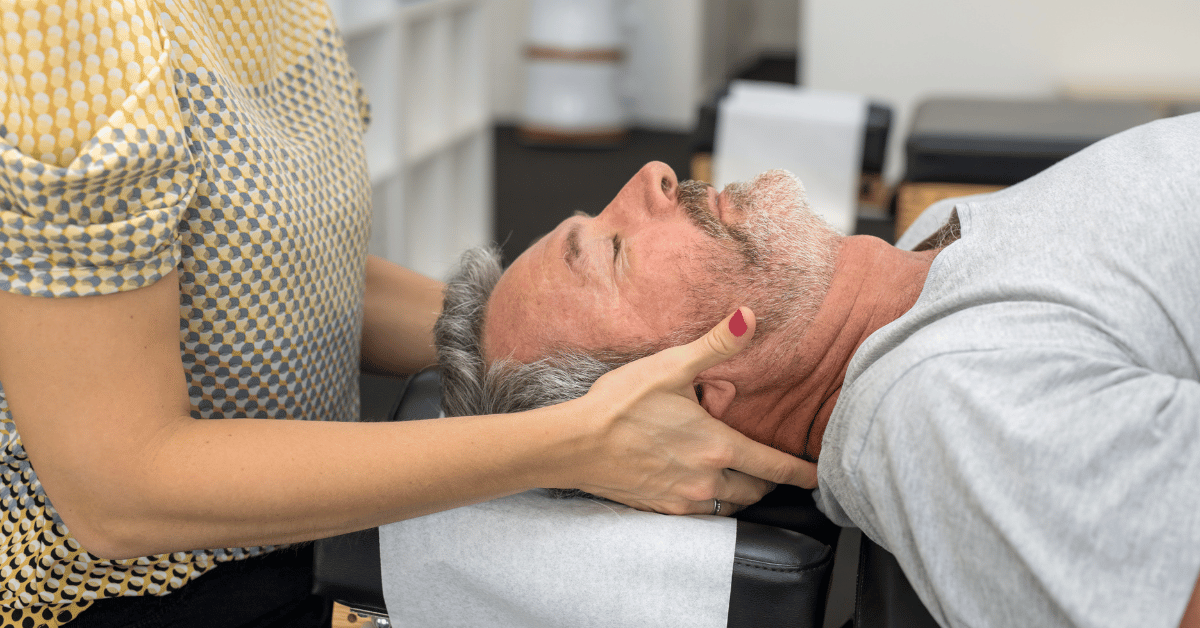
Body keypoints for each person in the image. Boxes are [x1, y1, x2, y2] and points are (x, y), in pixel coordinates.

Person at [0, 1, 815, 626]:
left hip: (297, 545)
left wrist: (554, 356)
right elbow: (117, 491)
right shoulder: (69, 26)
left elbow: (274, 277)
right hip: (109, 600)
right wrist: (575, 440)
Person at [436, 113, 1200, 628]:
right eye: (612, 248)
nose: (651, 176)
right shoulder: (943, 413)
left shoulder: (922, 248)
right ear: (689, 397)